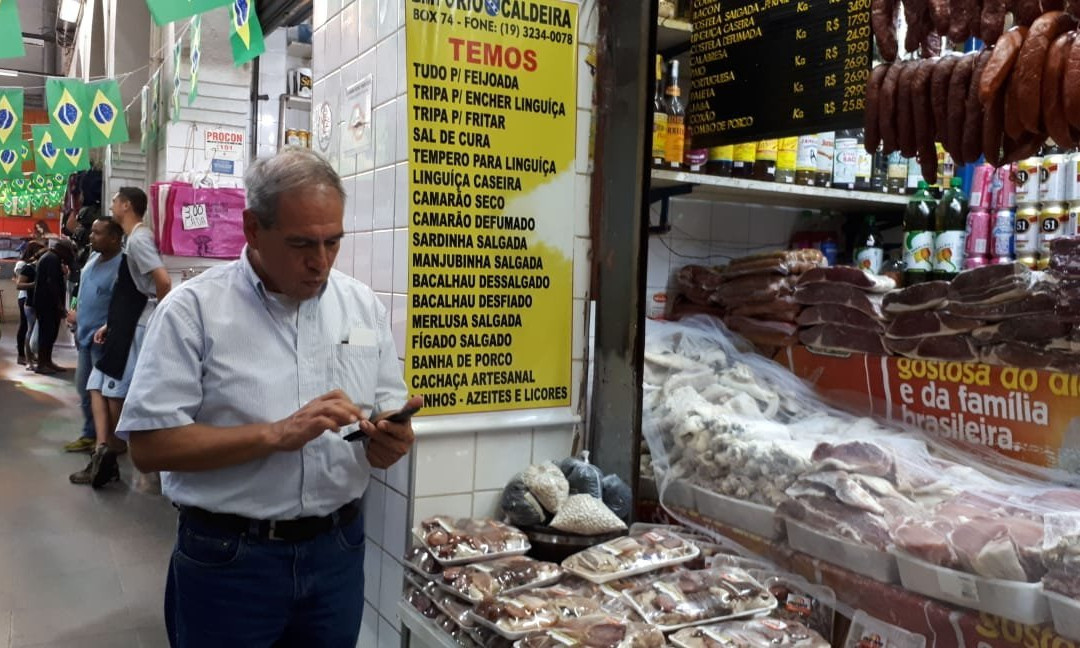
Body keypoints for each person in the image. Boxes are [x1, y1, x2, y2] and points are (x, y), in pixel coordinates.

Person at [115, 148, 419, 647]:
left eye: (333, 242)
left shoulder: (360, 305)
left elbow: (383, 407)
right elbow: (149, 447)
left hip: (337, 552)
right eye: (301, 244)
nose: (320, 262)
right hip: (229, 559)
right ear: (253, 229)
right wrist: (275, 435)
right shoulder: (194, 312)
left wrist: (388, 437)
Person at [83, 187, 171, 487]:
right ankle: (110, 447)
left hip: (141, 323)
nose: (111, 205)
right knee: (100, 384)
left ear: (127, 205)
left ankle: (129, 449)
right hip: (129, 321)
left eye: (115, 201)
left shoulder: (138, 240)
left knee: (116, 388)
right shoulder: (135, 240)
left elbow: (162, 280)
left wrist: (161, 318)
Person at [63, 217, 123, 457]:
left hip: (102, 342)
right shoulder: (93, 259)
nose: (90, 236)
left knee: (106, 395)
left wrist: (108, 326)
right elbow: (81, 288)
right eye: (92, 232)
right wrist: (75, 310)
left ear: (114, 239)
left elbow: (125, 305)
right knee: (84, 390)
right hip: (84, 337)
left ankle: (109, 441)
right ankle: (91, 435)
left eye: (97, 233)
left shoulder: (122, 266)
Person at [31, 239, 77, 375]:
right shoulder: (52, 259)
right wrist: (60, 306)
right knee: (46, 334)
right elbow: (52, 285)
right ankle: (42, 364)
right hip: (47, 304)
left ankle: (47, 361)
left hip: (47, 304)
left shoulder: (51, 258)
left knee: (50, 334)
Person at [13, 241, 44, 365]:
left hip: (31, 297)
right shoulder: (24, 265)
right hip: (25, 297)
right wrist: (35, 284)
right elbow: (19, 282)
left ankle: (29, 354)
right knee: (25, 327)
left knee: (29, 327)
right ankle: (22, 355)